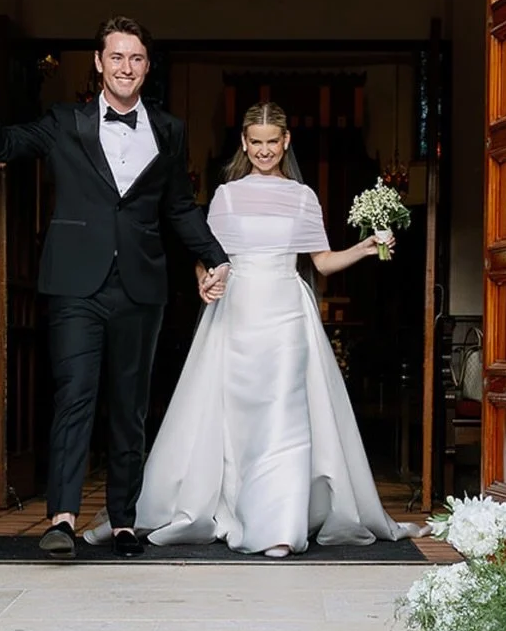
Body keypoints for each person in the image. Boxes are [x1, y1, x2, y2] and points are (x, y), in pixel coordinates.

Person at [0, 16, 230, 559]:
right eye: (117, 57)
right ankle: (61, 519)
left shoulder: (170, 131)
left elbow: (179, 206)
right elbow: (3, 143)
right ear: (99, 63)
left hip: (142, 286)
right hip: (75, 285)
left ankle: (124, 521)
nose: (126, 67)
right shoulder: (64, 121)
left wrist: (214, 257)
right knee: (75, 396)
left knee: (129, 407)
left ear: (146, 67)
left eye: (136, 58)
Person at [106, 101, 423, 556]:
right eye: (255, 142)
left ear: (286, 141)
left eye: (272, 142)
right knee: (237, 418)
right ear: (244, 143)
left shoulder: (303, 196)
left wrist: (367, 247)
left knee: (284, 414)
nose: (264, 150)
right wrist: (204, 282)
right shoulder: (226, 195)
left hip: (287, 311)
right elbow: (205, 255)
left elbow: (322, 264)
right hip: (236, 312)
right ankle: (238, 509)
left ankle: (278, 526)